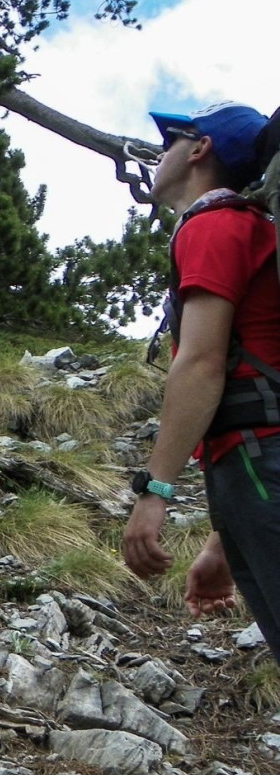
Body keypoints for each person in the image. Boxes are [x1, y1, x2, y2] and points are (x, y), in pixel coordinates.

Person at [121, 101, 280, 664]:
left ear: (199, 148)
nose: (158, 155)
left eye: (170, 141)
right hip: (255, 468)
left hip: (260, 460)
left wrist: (154, 493)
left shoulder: (214, 225)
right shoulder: (247, 226)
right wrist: (224, 541)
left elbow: (203, 363)